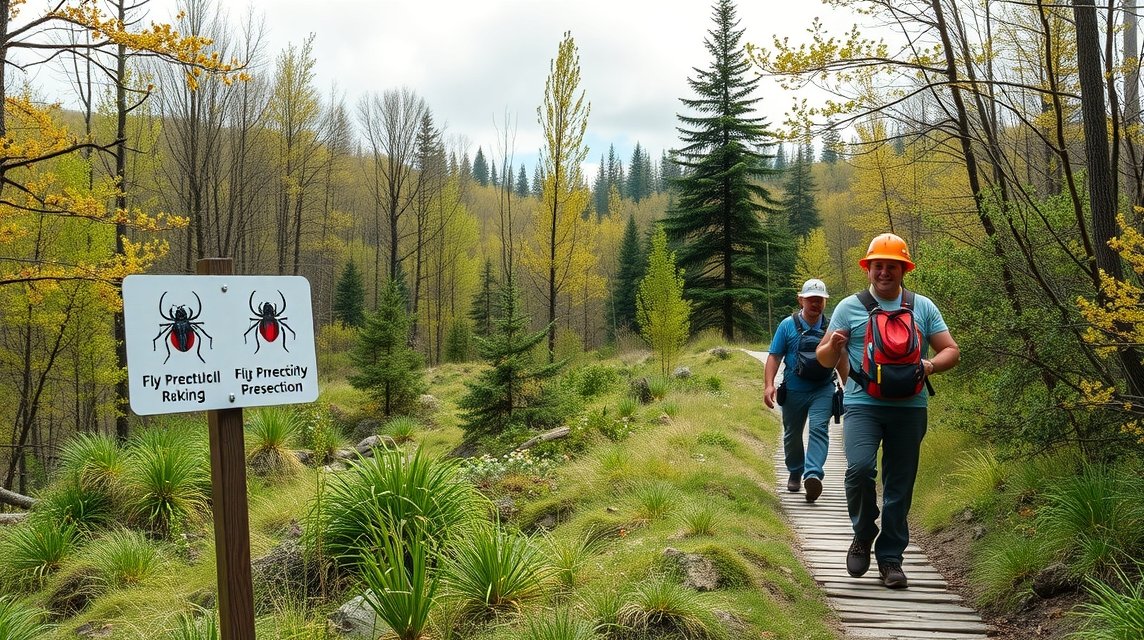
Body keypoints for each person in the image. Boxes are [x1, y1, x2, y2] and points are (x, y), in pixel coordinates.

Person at [815, 233, 959, 589]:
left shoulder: (922, 307)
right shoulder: (849, 307)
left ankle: (891, 558)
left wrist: (930, 365)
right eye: (877, 265)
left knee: (899, 485)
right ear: (868, 269)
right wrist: (833, 346)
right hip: (862, 402)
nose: (884, 272)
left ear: (903, 269)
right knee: (860, 469)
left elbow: (951, 350)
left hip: (910, 407)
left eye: (891, 266)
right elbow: (823, 358)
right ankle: (863, 534)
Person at [764, 278, 846, 503]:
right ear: (801, 300)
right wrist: (769, 385)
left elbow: (841, 360)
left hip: (823, 389)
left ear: (825, 302)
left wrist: (850, 388)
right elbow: (774, 356)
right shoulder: (786, 325)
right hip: (793, 390)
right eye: (810, 299)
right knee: (792, 434)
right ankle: (795, 471)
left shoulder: (832, 328)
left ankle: (812, 475)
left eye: (819, 300)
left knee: (819, 429)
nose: (815, 304)